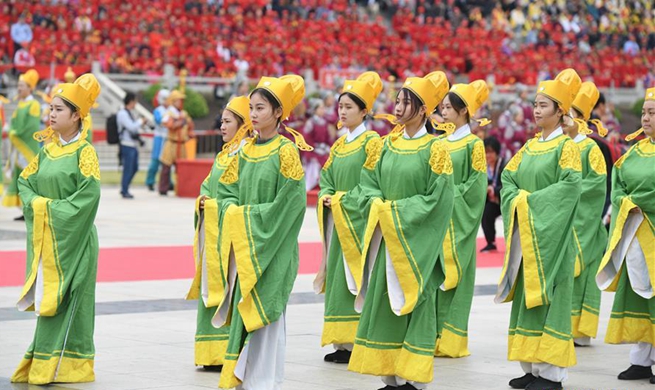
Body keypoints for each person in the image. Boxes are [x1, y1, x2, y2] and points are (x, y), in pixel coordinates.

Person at [348, 71, 455, 390]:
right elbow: (366, 187)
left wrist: (392, 211)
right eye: (397, 100)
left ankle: (414, 378)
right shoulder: (383, 146)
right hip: (387, 241)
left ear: (424, 110)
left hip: (415, 246)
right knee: (384, 304)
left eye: (406, 101)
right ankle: (390, 374)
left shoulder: (436, 149)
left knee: (415, 304)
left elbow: (440, 200)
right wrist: (378, 206)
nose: (397, 106)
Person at [216, 75, 311, 390]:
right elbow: (226, 192)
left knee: (267, 316)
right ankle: (243, 379)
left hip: (273, 247)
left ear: (277, 112)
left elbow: (292, 203)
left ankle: (264, 381)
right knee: (246, 314)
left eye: (260, 108)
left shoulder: (286, 151)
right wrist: (234, 213)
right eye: (251, 108)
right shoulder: (243, 151)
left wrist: (246, 220)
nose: (253, 114)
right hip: (246, 247)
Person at [10, 73, 102, 385]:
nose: (51, 114)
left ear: (77, 115)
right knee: (51, 302)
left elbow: (88, 197)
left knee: (72, 304)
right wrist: (40, 205)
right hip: (50, 238)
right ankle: (45, 361)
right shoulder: (47, 150)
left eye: (59, 110)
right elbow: (25, 181)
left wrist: (45, 208)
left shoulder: (84, 152)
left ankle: (71, 366)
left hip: (75, 239)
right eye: (50, 108)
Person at [495, 68, 582, 390]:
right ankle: (531, 367)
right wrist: (519, 200)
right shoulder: (529, 147)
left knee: (552, 299)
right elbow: (507, 178)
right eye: (535, 104)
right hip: (531, 236)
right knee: (527, 300)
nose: (536, 110)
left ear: (561, 111)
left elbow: (571, 186)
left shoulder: (567, 147)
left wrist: (526, 202)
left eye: (544, 105)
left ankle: (552, 374)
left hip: (555, 238)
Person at [314, 71, 383, 364]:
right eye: (340, 107)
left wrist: (341, 200)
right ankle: (341, 342)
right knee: (338, 278)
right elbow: (327, 176)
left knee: (356, 276)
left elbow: (371, 183)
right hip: (338, 219)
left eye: (349, 107)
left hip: (357, 221)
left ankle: (356, 339)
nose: (342, 112)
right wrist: (326, 196)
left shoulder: (373, 143)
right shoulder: (339, 145)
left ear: (364, 111)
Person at [185, 96, 252, 371]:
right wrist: (203, 203)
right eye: (221, 121)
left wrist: (215, 206)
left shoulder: (248, 155)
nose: (221, 126)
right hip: (214, 232)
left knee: (231, 291)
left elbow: (245, 196)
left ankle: (228, 351)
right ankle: (210, 353)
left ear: (243, 124)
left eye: (227, 121)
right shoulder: (223, 154)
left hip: (232, 238)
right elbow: (207, 186)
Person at [596, 87, 655, 384]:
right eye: (644, 112)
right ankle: (641, 360)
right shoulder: (635, 152)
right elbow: (617, 184)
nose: (645, 118)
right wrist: (626, 202)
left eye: (652, 112)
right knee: (637, 295)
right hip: (634, 231)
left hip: (651, 232)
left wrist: (637, 200)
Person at [434, 80, 490, 359]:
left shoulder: (473, 145)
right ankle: (430, 336)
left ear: (463, 111)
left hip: (457, 222)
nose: (443, 112)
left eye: (448, 107)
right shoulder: (439, 142)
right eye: (442, 107)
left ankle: (451, 341)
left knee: (456, 282)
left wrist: (445, 197)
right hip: (436, 223)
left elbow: (476, 187)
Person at [562, 82, 608, 347]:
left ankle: (581, 329)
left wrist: (566, 196)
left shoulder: (590, 149)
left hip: (584, 223)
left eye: (571, 114)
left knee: (582, 277)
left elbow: (595, 187)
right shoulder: (559, 145)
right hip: (562, 219)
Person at [2, 69, 40, 219]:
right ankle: (25, 209)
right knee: (20, 180)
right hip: (18, 150)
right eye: (18, 85)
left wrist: (13, 132)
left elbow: (30, 127)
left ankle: (32, 208)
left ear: (30, 88)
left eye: (22, 86)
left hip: (27, 149)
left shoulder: (34, 104)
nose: (19, 88)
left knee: (29, 180)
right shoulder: (21, 104)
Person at [159, 90, 194, 196]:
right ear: (173, 101)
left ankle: (180, 189)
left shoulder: (183, 113)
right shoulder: (169, 113)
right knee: (166, 167)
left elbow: (190, 125)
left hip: (182, 144)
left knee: (182, 168)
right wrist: (179, 122)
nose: (181, 102)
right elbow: (168, 124)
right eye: (179, 100)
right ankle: (163, 189)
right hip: (172, 143)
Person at [480, 136, 506, 252]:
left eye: (490, 152)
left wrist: (494, 190)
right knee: (485, 213)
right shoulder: (482, 167)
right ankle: (491, 242)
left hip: (504, 201)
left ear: (497, 152)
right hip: (492, 202)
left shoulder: (505, 165)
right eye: (485, 153)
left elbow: (508, 186)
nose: (487, 156)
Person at [117, 92, 145, 199]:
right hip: (126, 144)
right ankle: (124, 190)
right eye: (135, 101)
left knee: (135, 168)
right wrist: (140, 121)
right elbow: (131, 127)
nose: (136, 104)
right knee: (128, 168)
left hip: (132, 144)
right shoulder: (123, 113)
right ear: (131, 101)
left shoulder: (129, 113)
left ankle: (125, 187)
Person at [146, 88, 170, 191]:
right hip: (159, 137)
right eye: (164, 99)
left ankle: (168, 183)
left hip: (168, 137)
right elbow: (159, 120)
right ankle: (150, 181)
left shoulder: (171, 110)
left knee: (167, 162)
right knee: (155, 160)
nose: (166, 101)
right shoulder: (158, 110)